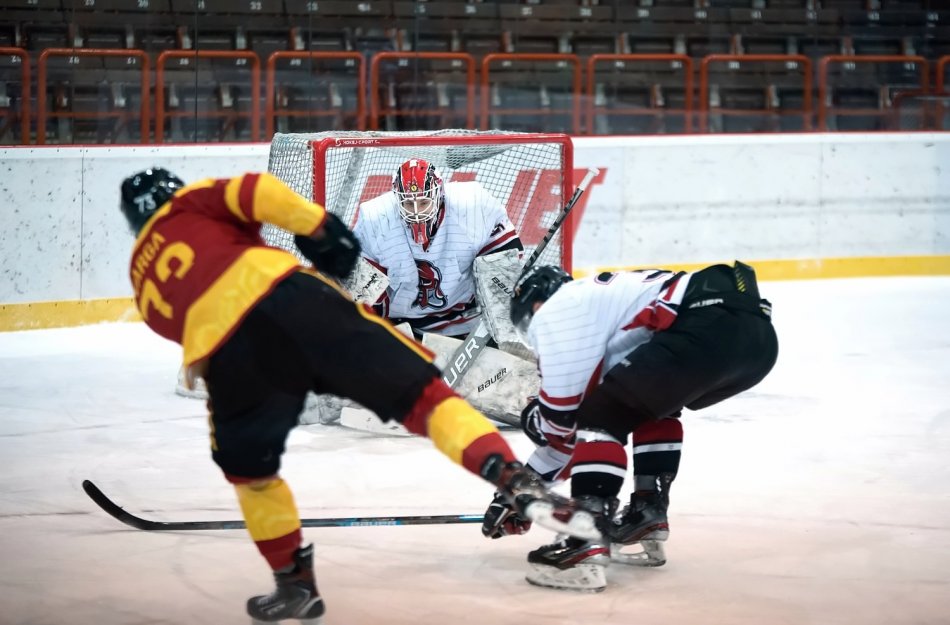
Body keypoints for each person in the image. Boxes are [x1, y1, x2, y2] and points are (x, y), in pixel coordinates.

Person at [119, 168, 596, 622]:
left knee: (252, 477)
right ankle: (512, 477)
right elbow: (258, 191)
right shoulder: (189, 203)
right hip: (290, 300)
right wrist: (319, 229)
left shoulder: (140, 280)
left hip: (229, 360)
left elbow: (186, 327)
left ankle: (294, 584)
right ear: (171, 193)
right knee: (427, 399)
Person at [482, 263, 778, 592]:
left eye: (528, 321)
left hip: (708, 323)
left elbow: (561, 421)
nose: (534, 332)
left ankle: (586, 538)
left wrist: (532, 418)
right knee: (646, 408)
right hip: (757, 340)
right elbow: (570, 441)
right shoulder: (604, 311)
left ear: (537, 304)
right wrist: (516, 491)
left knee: (599, 417)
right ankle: (647, 512)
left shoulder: (559, 307)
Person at [352, 158, 523, 340]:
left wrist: (502, 317)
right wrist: (371, 334)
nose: (416, 213)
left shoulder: (472, 206)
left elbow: (504, 257)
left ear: (439, 195)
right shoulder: (375, 220)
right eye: (408, 204)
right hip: (402, 326)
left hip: (465, 320)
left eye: (424, 203)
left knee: (499, 266)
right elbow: (362, 291)